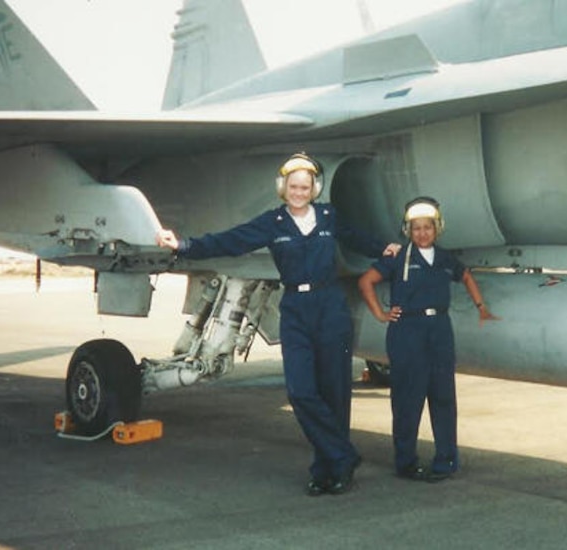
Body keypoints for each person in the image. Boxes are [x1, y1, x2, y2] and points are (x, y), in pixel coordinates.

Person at [156, 153, 401, 496]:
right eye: (293, 187)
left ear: (314, 188)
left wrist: (384, 247)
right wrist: (183, 245)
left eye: (305, 187)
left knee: (335, 393)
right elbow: (230, 240)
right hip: (296, 309)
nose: (299, 192)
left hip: (330, 306)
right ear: (282, 188)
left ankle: (329, 469)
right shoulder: (273, 222)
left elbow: (356, 237)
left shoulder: (329, 216)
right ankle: (343, 455)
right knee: (301, 391)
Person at [358, 197, 498, 482]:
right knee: (408, 398)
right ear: (407, 230)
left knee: (443, 395)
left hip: (439, 329)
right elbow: (366, 281)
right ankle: (406, 462)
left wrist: (481, 307)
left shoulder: (445, 258)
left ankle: (446, 460)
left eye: (428, 228)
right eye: (416, 228)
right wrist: (381, 314)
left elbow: (467, 276)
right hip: (407, 330)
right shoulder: (398, 258)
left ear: (437, 229)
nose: (422, 233)